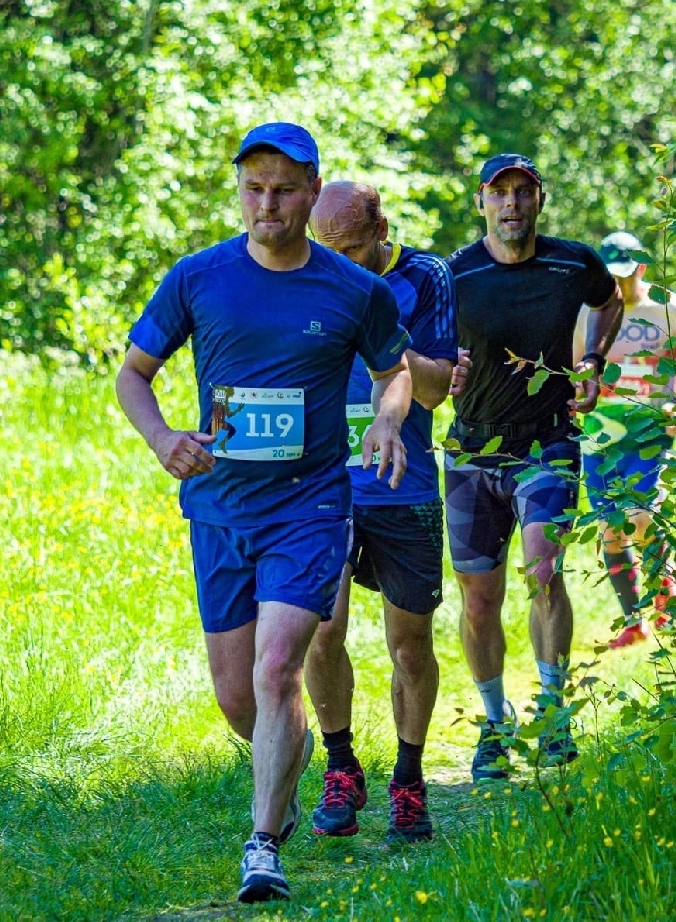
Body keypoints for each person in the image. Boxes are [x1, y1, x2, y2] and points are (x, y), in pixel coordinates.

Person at [115, 123, 413, 903]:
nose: (267, 204)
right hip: (220, 508)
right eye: (254, 188)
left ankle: (262, 845)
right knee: (237, 696)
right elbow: (133, 375)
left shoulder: (356, 290)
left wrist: (386, 418)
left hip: (309, 506)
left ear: (314, 194)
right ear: (240, 191)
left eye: (284, 189)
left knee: (277, 667)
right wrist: (161, 438)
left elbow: (395, 373)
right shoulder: (199, 277)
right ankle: (300, 759)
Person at [444, 153, 624, 782]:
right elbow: (412, 343)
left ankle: (554, 714)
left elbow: (610, 302)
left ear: (540, 201)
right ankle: (495, 725)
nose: (512, 205)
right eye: (500, 194)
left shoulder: (573, 262)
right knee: (478, 598)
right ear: (482, 203)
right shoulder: (454, 274)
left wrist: (594, 360)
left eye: (524, 193)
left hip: (548, 441)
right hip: (470, 449)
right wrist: (444, 370)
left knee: (544, 569)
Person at [304, 182, 457, 843]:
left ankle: (409, 779)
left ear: (383, 229)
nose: (339, 260)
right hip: (323, 484)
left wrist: (378, 334)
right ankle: (341, 768)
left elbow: (437, 387)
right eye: (326, 247)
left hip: (406, 485)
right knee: (320, 628)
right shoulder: (301, 272)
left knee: (410, 647)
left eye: (353, 248)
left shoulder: (426, 277)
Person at [574, 231, 676, 647]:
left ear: (642, 267)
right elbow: (576, 368)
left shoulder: (669, 308)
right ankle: (633, 621)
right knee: (608, 527)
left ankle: (665, 601)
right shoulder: (589, 311)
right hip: (601, 432)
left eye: (627, 273)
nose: (620, 284)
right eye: (612, 275)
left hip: (651, 429)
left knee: (641, 516)